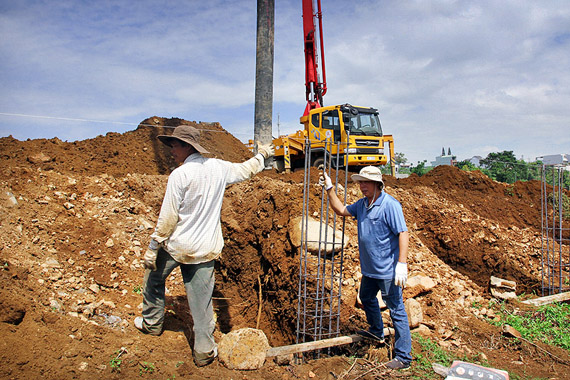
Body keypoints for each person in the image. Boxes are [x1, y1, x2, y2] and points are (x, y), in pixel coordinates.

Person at [134, 124, 274, 367]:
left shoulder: (180, 175)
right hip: (205, 249)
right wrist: (262, 155)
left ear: (187, 146)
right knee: (201, 303)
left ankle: (152, 324)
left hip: (177, 246)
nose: (171, 151)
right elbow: (246, 170)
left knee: (153, 279)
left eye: (174, 146)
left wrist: (153, 247)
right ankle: (204, 353)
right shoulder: (218, 168)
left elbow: (168, 218)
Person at [320, 166, 412, 370]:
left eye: (366, 182)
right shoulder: (362, 205)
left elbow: (403, 233)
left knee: (396, 309)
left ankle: (404, 357)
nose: (362, 186)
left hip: (388, 271)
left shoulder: (390, 205)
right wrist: (329, 188)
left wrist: (402, 264)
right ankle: (376, 330)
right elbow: (341, 210)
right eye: (360, 182)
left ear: (377, 184)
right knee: (367, 297)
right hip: (369, 270)